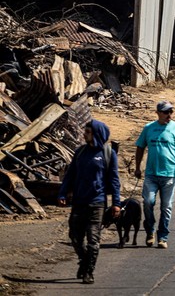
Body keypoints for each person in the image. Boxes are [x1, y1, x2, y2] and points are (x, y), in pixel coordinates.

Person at [58, 120, 121, 284]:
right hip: (79, 202)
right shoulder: (80, 152)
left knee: (93, 239)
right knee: (75, 236)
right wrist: (63, 193)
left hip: (97, 203)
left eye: (87, 132)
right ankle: (84, 261)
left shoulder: (108, 154)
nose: (84, 135)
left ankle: (89, 272)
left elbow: (114, 181)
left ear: (96, 134)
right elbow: (70, 175)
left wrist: (116, 203)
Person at [134, 101, 175, 250]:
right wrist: (137, 167)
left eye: (171, 112)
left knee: (166, 207)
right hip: (151, 174)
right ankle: (150, 230)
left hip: (169, 175)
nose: (169, 115)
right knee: (148, 202)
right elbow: (140, 147)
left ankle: (163, 236)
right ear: (158, 113)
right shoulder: (149, 128)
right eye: (166, 112)